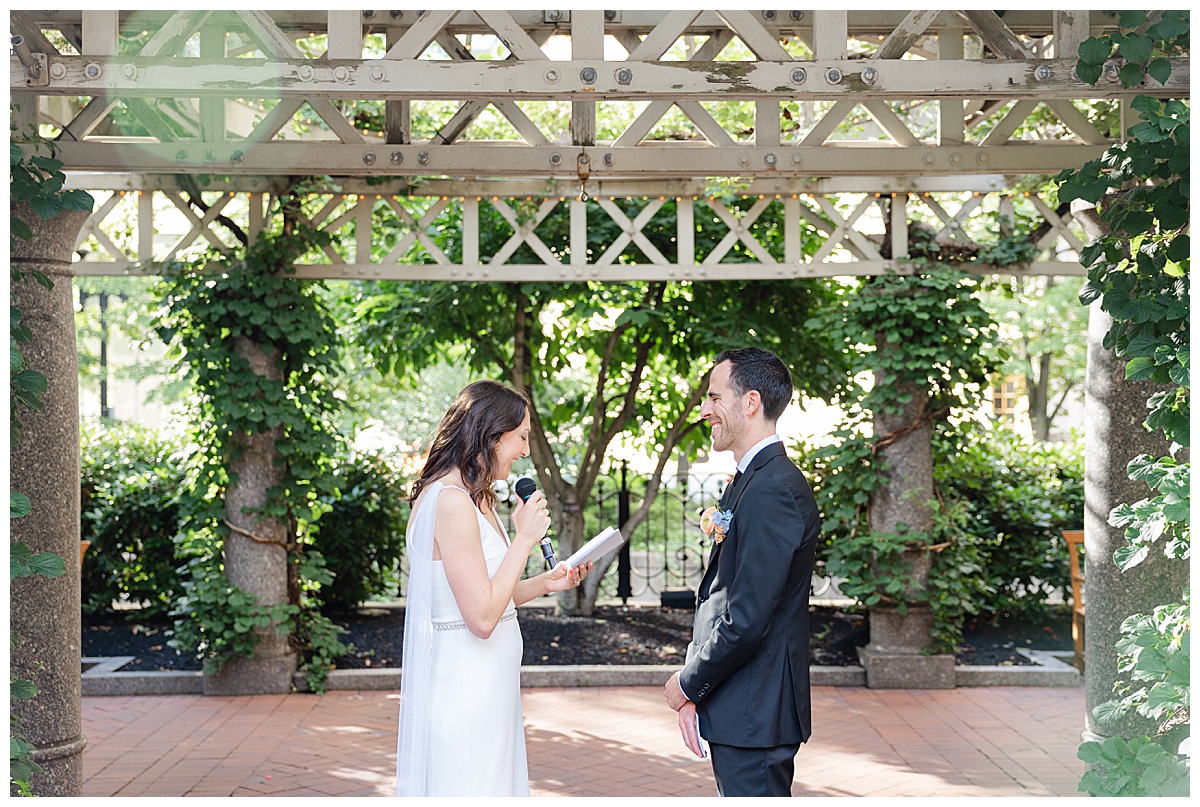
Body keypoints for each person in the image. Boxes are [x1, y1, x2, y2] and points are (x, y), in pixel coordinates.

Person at [395, 380, 592, 797]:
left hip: (494, 686)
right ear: (492, 434)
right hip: (467, 688)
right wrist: (523, 539)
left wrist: (545, 582)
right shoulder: (448, 502)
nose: (525, 450)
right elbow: (481, 619)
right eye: (521, 437)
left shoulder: (477, 499)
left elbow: (491, 594)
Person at [663, 347, 820, 797]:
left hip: (758, 708)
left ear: (750, 402)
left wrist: (689, 684)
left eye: (714, 397)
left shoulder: (772, 489)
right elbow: (721, 597)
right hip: (742, 705)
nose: (705, 410)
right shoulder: (751, 479)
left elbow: (747, 618)